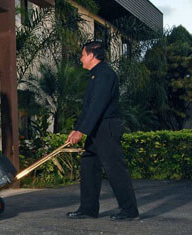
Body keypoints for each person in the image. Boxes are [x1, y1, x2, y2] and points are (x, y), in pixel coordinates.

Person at [66, 41, 139, 221]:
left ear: (92, 55)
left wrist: (81, 131)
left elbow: (97, 106)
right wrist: (77, 128)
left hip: (107, 127)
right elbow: (88, 108)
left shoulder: (105, 74)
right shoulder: (95, 75)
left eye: (83, 54)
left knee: (115, 168)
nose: (81, 58)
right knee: (89, 166)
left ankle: (130, 210)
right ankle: (88, 209)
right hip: (96, 127)